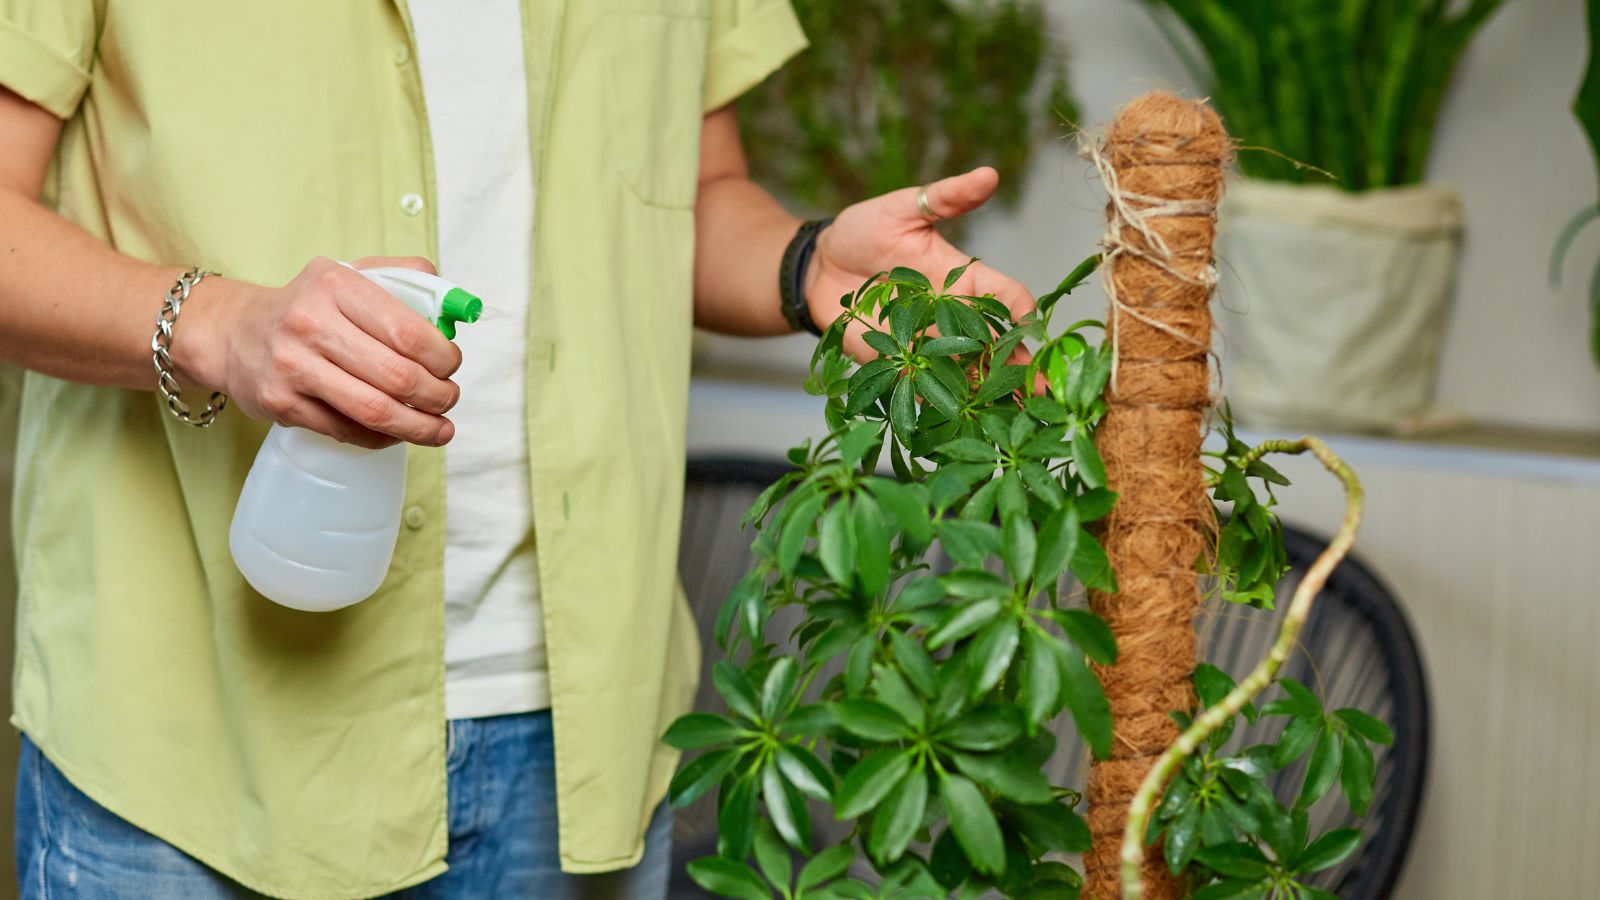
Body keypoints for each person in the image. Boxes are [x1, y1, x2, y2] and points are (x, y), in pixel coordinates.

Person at [0, 1, 1034, 897]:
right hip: (195, 735)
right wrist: (220, 328)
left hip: (578, 734)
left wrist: (803, 262)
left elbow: (694, 192)